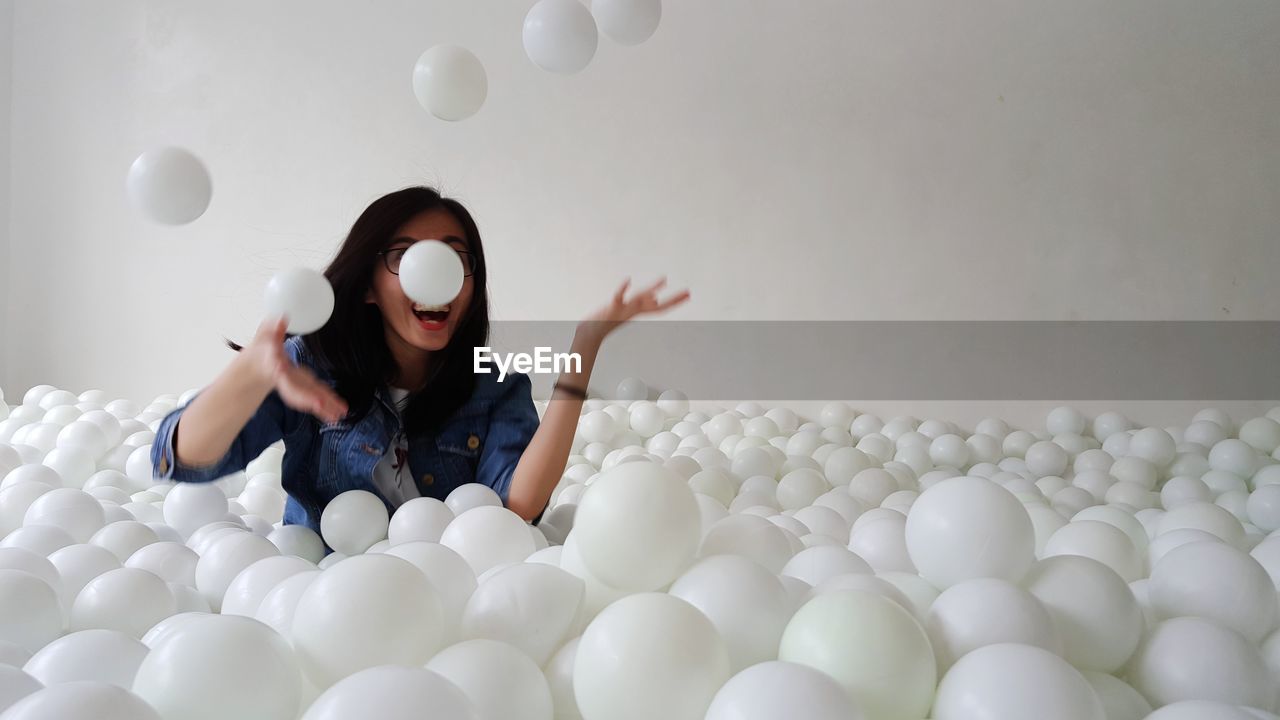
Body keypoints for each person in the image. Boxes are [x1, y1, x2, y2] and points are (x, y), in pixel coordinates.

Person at [150, 186, 688, 536]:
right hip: (319, 591)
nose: (435, 274)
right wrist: (250, 372)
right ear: (366, 286)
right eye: (406, 256)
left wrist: (584, 348)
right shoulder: (310, 368)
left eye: (455, 257)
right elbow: (179, 459)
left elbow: (517, 507)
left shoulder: (493, 387)